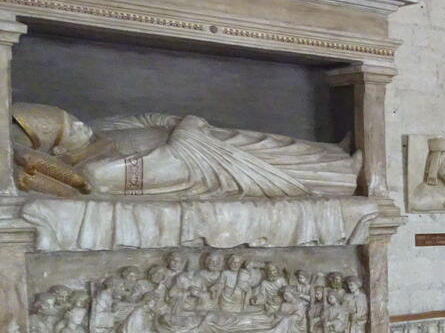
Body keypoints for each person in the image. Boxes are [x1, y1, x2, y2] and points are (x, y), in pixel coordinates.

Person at [10, 102, 359, 198]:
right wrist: (188, 130)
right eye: (71, 128)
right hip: (210, 165)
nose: (81, 125)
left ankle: (331, 154)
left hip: (205, 140)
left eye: (74, 119)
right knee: (260, 157)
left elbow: (145, 119)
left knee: (259, 140)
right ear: (58, 148)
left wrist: (175, 121)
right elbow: (173, 163)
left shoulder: (98, 130)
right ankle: (340, 174)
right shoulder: (97, 172)